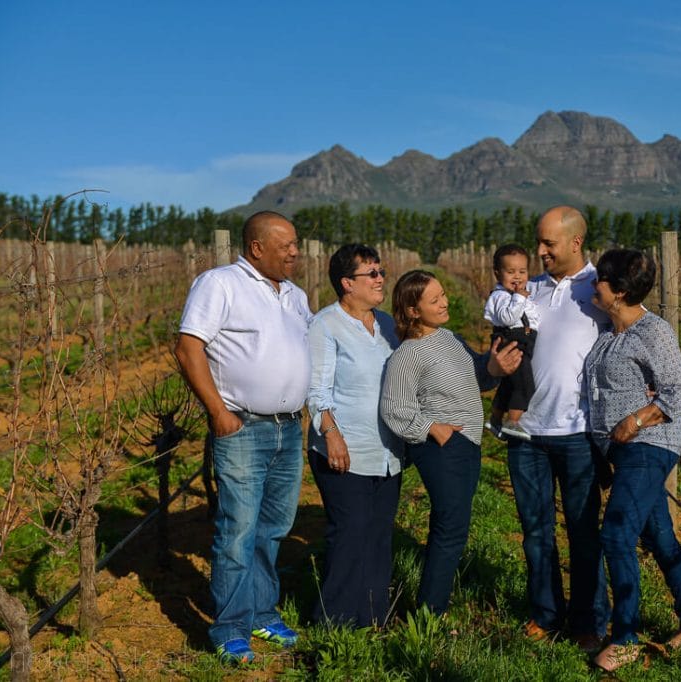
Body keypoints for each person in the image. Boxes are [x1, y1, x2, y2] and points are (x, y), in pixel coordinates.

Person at [174, 211, 310, 665]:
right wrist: (218, 411)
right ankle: (229, 626)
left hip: (288, 427)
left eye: (295, 244)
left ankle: (261, 614)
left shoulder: (295, 295)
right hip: (243, 426)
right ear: (257, 248)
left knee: (273, 529)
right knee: (237, 531)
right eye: (287, 245)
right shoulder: (220, 283)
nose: (296, 252)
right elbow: (188, 346)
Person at [584, 248, 681, 672]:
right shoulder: (608, 333)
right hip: (622, 449)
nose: (593, 285)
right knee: (659, 536)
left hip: (649, 445)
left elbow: (679, 390)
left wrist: (635, 420)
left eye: (599, 279)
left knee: (616, 536)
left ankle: (626, 636)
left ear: (618, 292)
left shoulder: (653, 332)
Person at [380, 270, 521, 615]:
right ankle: (430, 613)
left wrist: (494, 367)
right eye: (434, 300)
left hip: (465, 442)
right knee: (450, 528)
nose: (444, 303)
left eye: (443, 295)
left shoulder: (450, 338)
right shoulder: (408, 354)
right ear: (413, 311)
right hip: (442, 447)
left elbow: (477, 376)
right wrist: (433, 428)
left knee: (453, 524)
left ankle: (432, 606)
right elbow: (393, 407)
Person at [507, 206, 610, 651]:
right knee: (535, 530)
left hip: (579, 433)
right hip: (527, 433)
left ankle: (589, 621)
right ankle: (546, 613)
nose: (540, 251)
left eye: (548, 243)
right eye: (539, 241)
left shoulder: (601, 290)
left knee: (584, 532)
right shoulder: (530, 290)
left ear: (575, 243)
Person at [306, 244, 403, 628]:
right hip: (344, 449)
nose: (381, 279)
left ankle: (373, 616)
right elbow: (316, 389)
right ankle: (335, 623)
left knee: (379, 537)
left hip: (387, 452)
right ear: (348, 283)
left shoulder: (388, 326)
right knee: (349, 536)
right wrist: (331, 434)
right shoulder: (325, 325)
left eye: (381, 271)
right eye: (372, 274)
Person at [483, 243, 541, 441]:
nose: (517, 276)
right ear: (498, 273)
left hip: (519, 339)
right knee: (525, 385)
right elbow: (508, 318)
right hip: (513, 341)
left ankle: (496, 419)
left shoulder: (516, 295)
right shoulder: (501, 296)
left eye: (522, 271)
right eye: (511, 271)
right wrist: (519, 298)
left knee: (509, 385)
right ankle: (513, 423)